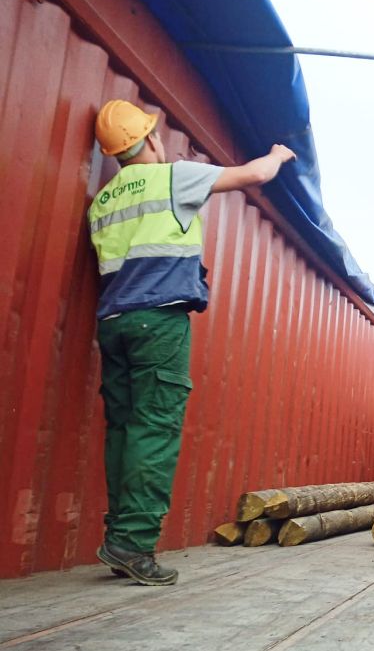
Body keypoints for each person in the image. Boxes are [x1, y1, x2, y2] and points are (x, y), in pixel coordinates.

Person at [88, 99, 296, 585]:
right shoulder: (171, 177)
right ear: (151, 139)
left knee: (123, 430)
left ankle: (120, 535)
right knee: (155, 428)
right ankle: (134, 543)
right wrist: (279, 154)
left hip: (113, 322)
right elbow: (254, 175)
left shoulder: (102, 202)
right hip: (158, 321)